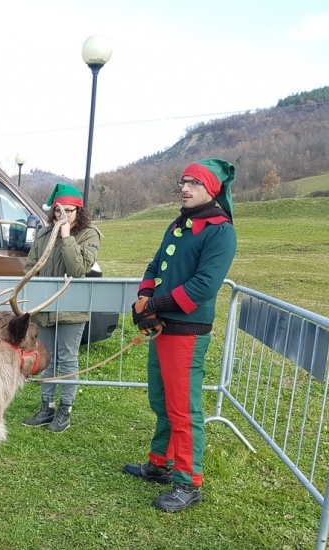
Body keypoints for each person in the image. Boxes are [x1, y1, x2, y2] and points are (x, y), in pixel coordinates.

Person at [122, 158, 237, 512]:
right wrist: (144, 299)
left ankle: (188, 483)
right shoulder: (179, 224)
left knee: (184, 408)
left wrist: (155, 303)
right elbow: (156, 264)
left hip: (187, 331)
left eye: (193, 183)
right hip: (163, 325)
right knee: (161, 400)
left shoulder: (220, 231)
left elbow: (203, 286)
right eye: (182, 182)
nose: (184, 188)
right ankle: (160, 464)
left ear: (211, 189)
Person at [21, 183, 102, 433]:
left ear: (79, 211)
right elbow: (30, 267)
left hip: (71, 309)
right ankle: (47, 407)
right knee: (46, 357)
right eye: (58, 212)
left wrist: (66, 236)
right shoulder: (44, 235)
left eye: (68, 211)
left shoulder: (89, 234)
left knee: (67, 358)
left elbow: (78, 268)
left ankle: (65, 409)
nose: (62, 216)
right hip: (45, 308)